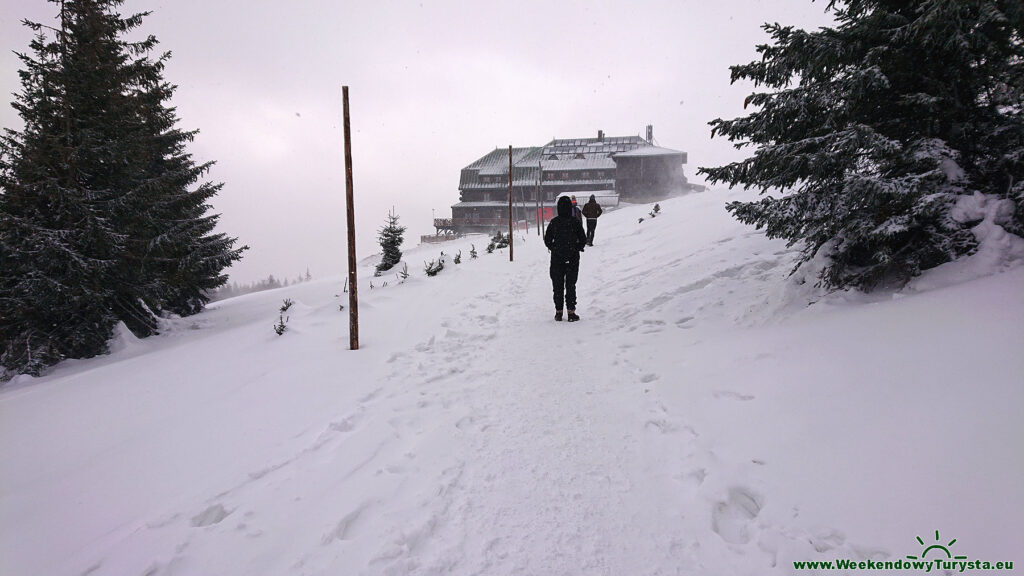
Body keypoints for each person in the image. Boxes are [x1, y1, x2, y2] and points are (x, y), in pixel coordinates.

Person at [544, 195, 587, 322]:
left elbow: (547, 240)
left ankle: (558, 312)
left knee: (557, 285)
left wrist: (554, 248)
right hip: (573, 258)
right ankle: (571, 311)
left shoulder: (554, 222)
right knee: (571, 284)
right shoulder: (575, 222)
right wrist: (576, 248)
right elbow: (583, 239)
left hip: (557, 259)